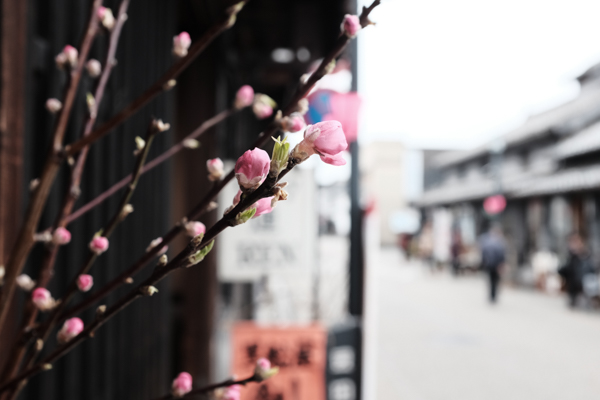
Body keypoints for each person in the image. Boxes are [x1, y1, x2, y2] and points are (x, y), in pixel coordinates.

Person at [558, 233, 593, 308]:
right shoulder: (570, 257)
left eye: (576, 242)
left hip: (584, 283)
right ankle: (573, 296)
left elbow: (590, 270)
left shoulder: (586, 255)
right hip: (573, 285)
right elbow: (561, 270)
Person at [479, 225, 506, 303]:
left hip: (489, 264)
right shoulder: (500, 242)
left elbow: (483, 253)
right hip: (496, 264)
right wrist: (502, 263)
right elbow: (502, 254)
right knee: (495, 280)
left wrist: (483, 261)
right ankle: (493, 295)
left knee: (491, 280)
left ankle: (491, 295)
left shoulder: (487, 242)